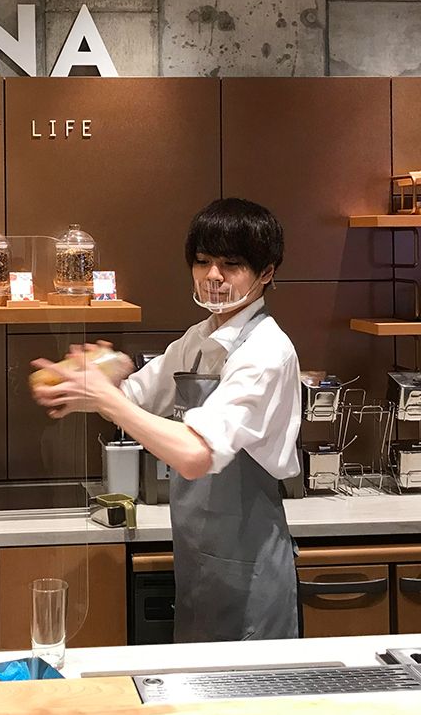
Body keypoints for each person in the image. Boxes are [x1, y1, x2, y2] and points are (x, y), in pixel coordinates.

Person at [31, 197, 301, 643]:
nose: (213, 276)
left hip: (251, 574)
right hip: (199, 568)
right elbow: (134, 396)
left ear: (266, 272)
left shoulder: (267, 353)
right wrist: (82, 383)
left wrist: (105, 397)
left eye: (231, 264)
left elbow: (195, 454)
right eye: (203, 261)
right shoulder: (200, 338)